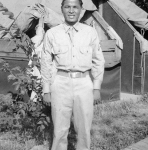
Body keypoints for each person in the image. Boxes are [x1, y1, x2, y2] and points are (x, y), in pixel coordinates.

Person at [41, 0, 105, 149]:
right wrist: (46, 90)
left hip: (84, 84)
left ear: (81, 10)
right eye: (67, 7)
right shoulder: (52, 34)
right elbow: (46, 63)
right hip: (60, 83)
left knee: (84, 129)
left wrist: (96, 88)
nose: (71, 11)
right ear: (62, 9)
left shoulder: (90, 32)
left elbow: (98, 60)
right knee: (59, 130)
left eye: (75, 7)